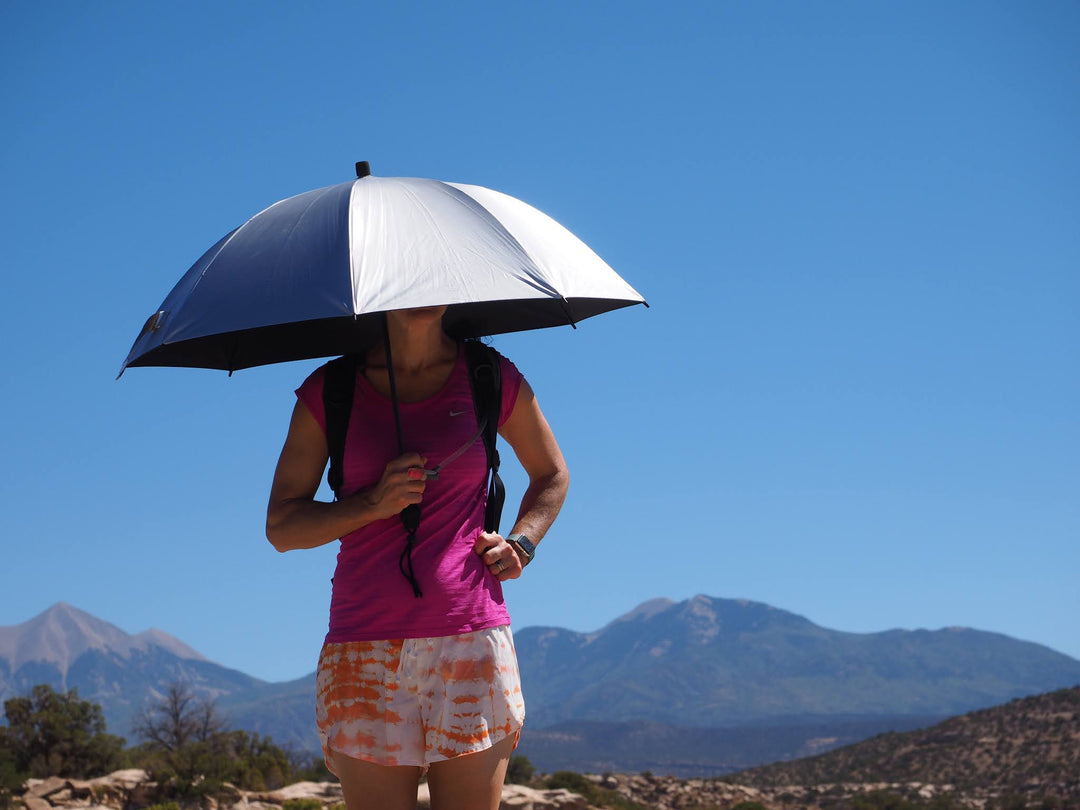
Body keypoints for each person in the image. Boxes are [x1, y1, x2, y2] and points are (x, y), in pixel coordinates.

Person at [265, 304, 569, 810]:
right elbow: (282, 527)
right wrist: (370, 504)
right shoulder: (331, 390)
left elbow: (552, 474)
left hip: (471, 642)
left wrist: (522, 543)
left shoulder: (489, 377)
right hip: (364, 650)